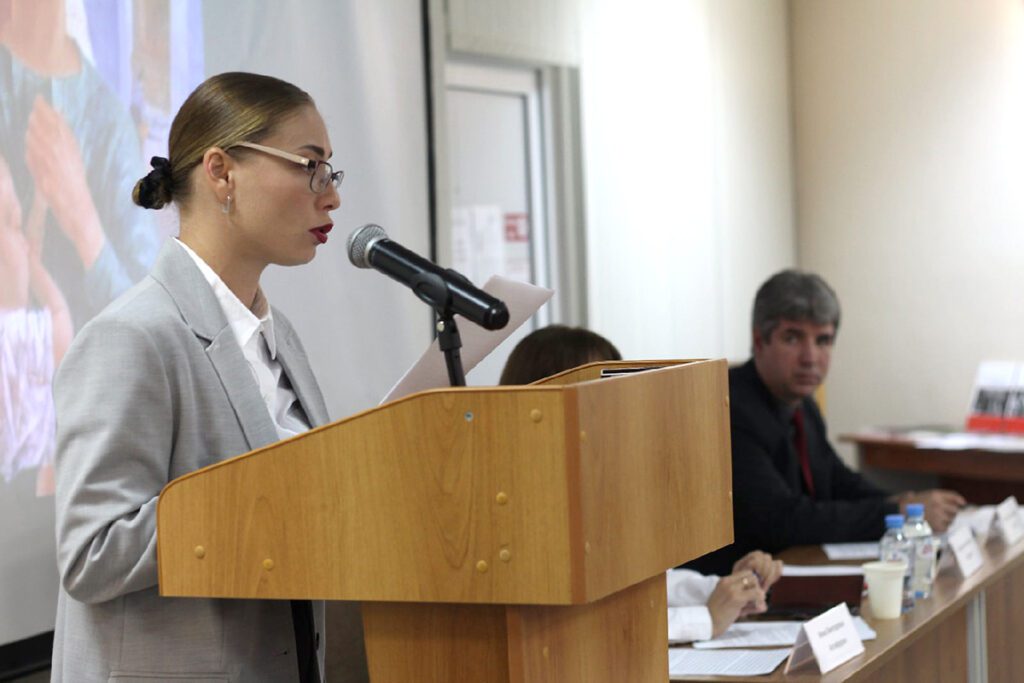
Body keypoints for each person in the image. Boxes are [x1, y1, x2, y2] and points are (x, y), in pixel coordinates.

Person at [52, 72, 352, 682]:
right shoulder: (132, 336)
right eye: (310, 166)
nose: (331, 198)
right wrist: (270, 499)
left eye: (330, 171)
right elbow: (90, 553)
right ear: (221, 172)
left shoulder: (278, 333)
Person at [501, 325, 783, 642]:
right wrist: (705, 619)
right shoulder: (522, 503)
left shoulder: (596, 483)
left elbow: (641, 585)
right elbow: (575, 624)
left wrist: (726, 589)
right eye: (598, 393)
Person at [687, 270, 965, 576]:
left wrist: (905, 503)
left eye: (823, 340)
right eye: (792, 338)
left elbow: (837, 480)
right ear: (759, 340)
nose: (810, 357)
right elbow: (782, 519)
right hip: (730, 585)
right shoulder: (730, 408)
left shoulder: (803, 404)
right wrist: (893, 512)